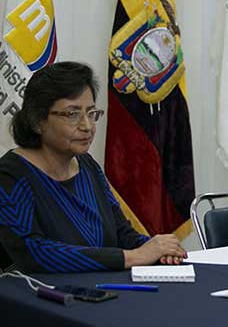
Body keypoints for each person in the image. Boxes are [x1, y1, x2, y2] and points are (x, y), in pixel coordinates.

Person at [0, 62, 187, 273]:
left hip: (102, 291)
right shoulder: (10, 175)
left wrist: (158, 249)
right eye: (72, 115)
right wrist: (132, 257)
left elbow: (121, 233)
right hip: (43, 298)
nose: (87, 126)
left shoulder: (87, 165)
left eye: (91, 113)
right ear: (37, 121)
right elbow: (34, 252)